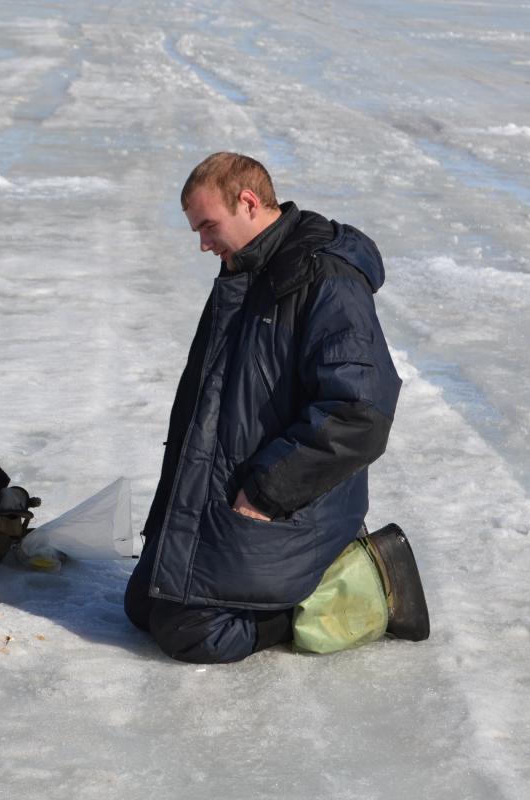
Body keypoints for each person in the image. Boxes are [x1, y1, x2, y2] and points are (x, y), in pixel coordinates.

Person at [124, 153, 429, 663]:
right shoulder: (248, 270)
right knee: (142, 605)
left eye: (208, 226)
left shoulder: (327, 279)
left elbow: (360, 411)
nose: (202, 244)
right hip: (231, 492)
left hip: (287, 503)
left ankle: (346, 580)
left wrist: (267, 492)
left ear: (247, 202)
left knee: (194, 633)